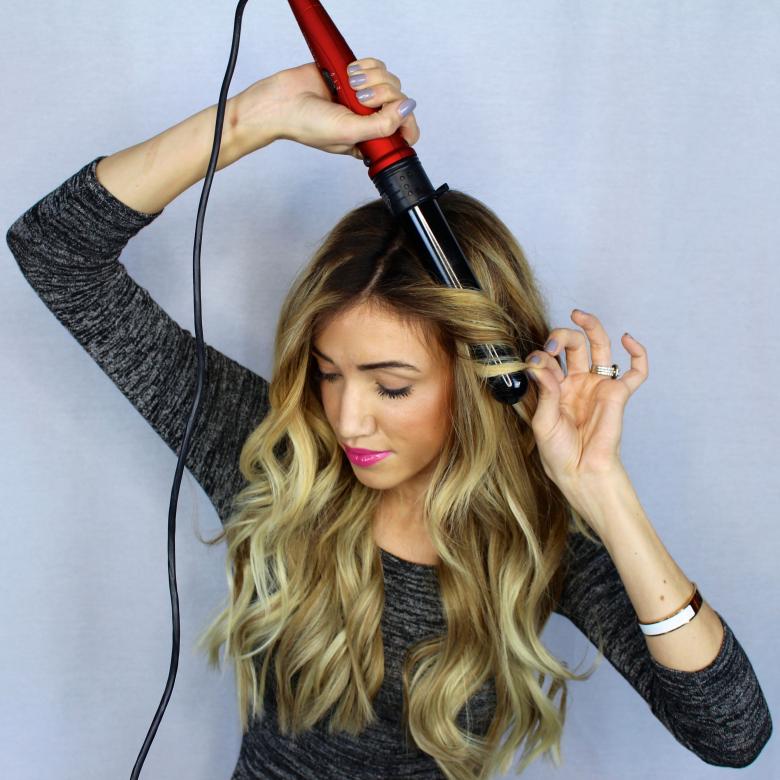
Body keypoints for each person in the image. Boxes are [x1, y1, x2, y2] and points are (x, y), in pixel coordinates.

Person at [6, 57, 772, 780]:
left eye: (392, 387)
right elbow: (55, 250)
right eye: (328, 373)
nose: (347, 420)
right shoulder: (274, 453)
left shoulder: (538, 529)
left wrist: (600, 487)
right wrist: (259, 115)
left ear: (481, 380)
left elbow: (731, 734)